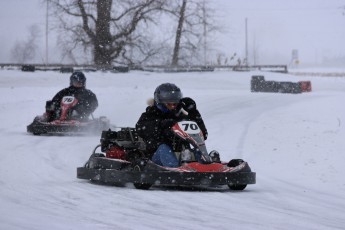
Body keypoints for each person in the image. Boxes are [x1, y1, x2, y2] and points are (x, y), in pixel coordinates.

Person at [135, 83, 208, 167]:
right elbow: (142, 129)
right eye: (169, 104)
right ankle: (176, 171)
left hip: (183, 154)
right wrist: (162, 124)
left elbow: (203, 134)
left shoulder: (182, 114)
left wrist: (193, 114)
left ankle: (206, 166)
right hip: (157, 158)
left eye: (175, 104)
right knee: (163, 148)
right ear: (160, 103)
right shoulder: (149, 115)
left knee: (197, 150)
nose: (173, 107)